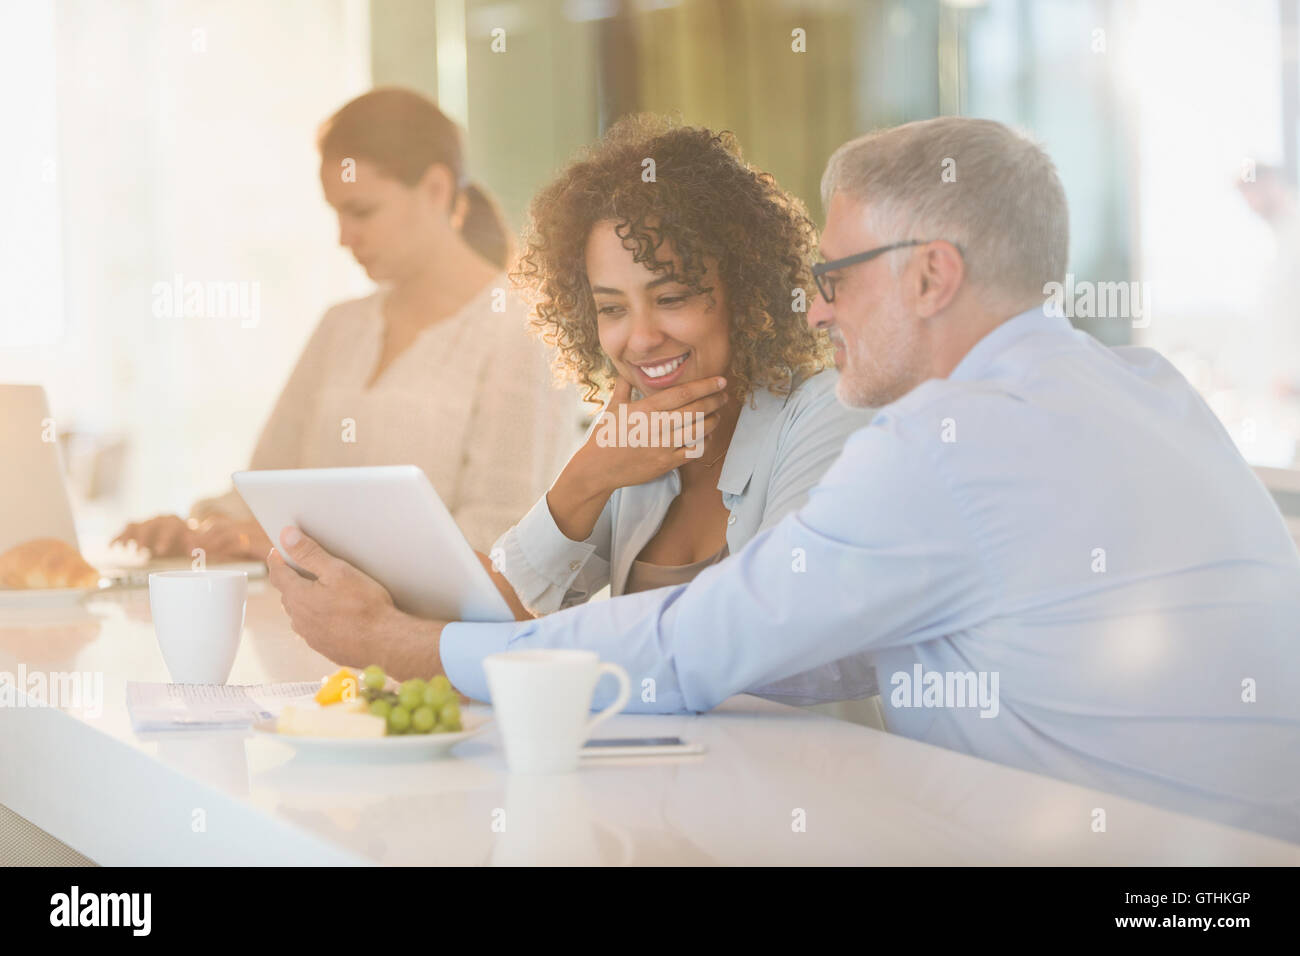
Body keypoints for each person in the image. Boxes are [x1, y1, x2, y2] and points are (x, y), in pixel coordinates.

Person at [266, 117, 1300, 842]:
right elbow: (784, 651)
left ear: (930, 275)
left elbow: (704, 643)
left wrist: (404, 646)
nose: (816, 311)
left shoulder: (943, 441)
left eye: (837, 277)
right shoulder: (1144, 384)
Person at [477, 115, 876, 703]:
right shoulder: (633, 442)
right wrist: (585, 480)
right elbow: (495, 616)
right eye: (611, 308)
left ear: (744, 294)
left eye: (670, 298)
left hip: (795, 786)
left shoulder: (829, 416)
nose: (639, 339)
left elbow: (773, 637)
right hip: (652, 786)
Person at [113, 87, 571, 559]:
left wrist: (302, 544)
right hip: (298, 620)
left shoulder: (522, 331)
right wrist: (198, 528)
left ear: (435, 190)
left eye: (361, 211)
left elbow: (498, 537)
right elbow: (267, 487)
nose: (343, 237)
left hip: (432, 633)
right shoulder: (341, 327)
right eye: (335, 212)